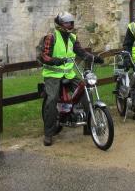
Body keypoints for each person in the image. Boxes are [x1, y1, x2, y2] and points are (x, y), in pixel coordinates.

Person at [40, 12, 104, 146]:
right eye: (67, 23)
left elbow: (81, 52)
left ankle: (89, 126)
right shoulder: (51, 37)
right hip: (52, 74)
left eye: (71, 23)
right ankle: (48, 133)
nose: (70, 25)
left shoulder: (73, 38)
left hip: (68, 73)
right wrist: (55, 60)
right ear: (60, 24)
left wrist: (94, 58)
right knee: (52, 99)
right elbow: (44, 56)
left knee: (85, 90)